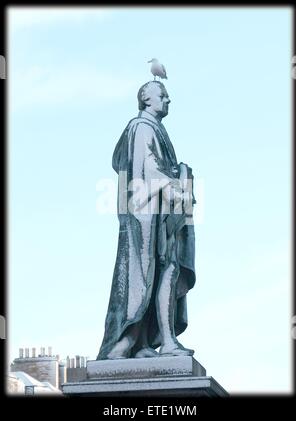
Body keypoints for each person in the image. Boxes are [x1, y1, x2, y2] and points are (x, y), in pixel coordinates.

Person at [96, 81, 196, 360]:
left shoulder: (154, 129)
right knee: (154, 273)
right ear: (146, 100)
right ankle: (145, 342)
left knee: (166, 271)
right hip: (147, 217)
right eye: (162, 95)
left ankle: (150, 342)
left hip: (161, 214)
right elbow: (147, 168)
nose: (168, 99)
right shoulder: (142, 128)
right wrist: (176, 185)